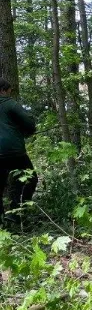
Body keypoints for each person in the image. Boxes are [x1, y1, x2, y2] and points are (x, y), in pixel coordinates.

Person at [0, 79, 38, 226]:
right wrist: (26, 131)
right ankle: (16, 214)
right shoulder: (10, 104)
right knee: (30, 179)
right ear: (4, 90)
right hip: (13, 151)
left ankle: (2, 223)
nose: (10, 93)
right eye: (9, 90)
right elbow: (29, 123)